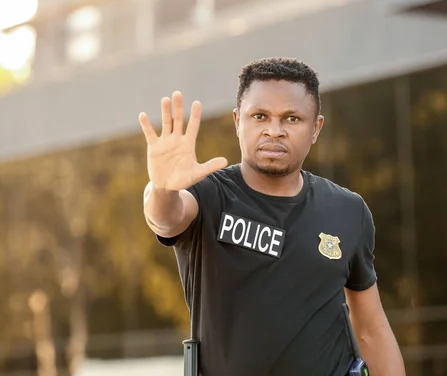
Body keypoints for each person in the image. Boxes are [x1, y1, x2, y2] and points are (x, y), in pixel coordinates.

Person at [138, 57, 405, 376]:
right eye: (259, 116)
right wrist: (163, 188)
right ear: (238, 121)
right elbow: (165, 218)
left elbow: (371, 330)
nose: (274, 131)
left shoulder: (348, 210)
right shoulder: (210, 195)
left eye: (292, 118)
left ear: (316, 127)